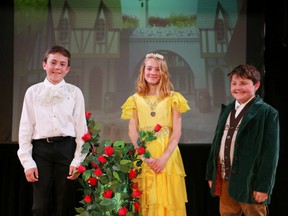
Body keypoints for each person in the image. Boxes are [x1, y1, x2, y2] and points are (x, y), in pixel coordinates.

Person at [17, 45, 88, 216]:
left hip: (66, 149)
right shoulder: (33, 92)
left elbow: (81, 129)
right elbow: (25, 128)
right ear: (44, 64)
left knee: (64, 204)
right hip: (41, 150)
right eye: (53, 62)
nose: (57, 67)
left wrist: (77, 161)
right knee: (40, 205)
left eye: (62, 64)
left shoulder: (75, 92)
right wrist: (27, 163)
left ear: (68, 69)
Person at [121, 52, 190, 216]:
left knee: (168, 200)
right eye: (149, 68)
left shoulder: (174, 98)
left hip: (168, 155)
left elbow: (177, 132)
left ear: (163, 72)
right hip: (145, 155)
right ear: (143, 71)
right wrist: (145, 156)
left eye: (157, 69)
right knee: (146, 198)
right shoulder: (134, 99)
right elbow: (132, 130)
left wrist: (164, 157)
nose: (152, 73)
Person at [206, 64, 280, 216]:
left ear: (256, 85)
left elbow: (270, 154)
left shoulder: (267, 113)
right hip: (226, 180)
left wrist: (263, 187)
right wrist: (211, 174)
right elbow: (216, 145)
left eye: (244, 83)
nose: (238, 87)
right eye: (234, 83)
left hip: (250, 183)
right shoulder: (226, 110)